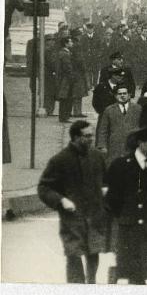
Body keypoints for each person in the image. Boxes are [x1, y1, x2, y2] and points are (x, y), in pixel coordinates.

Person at [104, 126, 147, 285]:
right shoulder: (121, 166)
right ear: (140, 143)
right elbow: (112, 201)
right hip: (131, 232)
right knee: (136, 280)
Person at [38, 121, 107, 284]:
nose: (92, 139)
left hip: (94, 214)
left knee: (93, 252)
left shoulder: (97, 156)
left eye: (92, 135)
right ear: (76, 137)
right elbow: (44, 187)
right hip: (72, 217)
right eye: (87, 136)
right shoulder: (60, 159)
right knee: (74, 254)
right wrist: (61, 200)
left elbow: (106, 179)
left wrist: (105, 188)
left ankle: (91, 284)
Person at [96, 83, 142, 164]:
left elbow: (143, 127)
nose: (122, 96)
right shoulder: (109, 110)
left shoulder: (138, 109)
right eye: (119, 94)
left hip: (133, 146)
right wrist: (102, 146)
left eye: (125, 93)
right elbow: (103, 130)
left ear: (129, 95)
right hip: (115, 147)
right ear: (115, 96)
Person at [56, 36, 75, 123]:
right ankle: (64, 117)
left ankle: (63, 116)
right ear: (66, 44)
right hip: (66, 79)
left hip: (64, 78)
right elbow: (68, 68)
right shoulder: (65, 54)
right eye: (70, 42)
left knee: (64, 98)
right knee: (66, 98)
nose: (72, 43)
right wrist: (72, 77)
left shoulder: (63, 53)